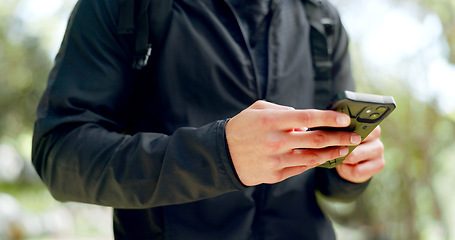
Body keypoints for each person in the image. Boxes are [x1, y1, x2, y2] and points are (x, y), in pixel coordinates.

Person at [32, 0, 386, 239]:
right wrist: (217, 156)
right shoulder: (126, 6)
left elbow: (330, 178)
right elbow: (59, 152)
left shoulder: (321, 19)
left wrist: (351, 171)